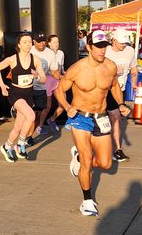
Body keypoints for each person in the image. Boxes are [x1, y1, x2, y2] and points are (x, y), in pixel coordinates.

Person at [53, 29, 129, 215]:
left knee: (105, 164)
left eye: (104, 46)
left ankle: (78, 159)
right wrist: (67, 106)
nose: (102, 51)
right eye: (98, 47)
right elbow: (59, 90)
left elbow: (114, 87)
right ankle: (87, 200)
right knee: (87, 160)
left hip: (101, 117)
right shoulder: (77, 69)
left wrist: (120, 104)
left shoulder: (110, 67)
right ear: (88, 47)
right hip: (80, 118)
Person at [0, 31, 44, 161]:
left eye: (30, 42)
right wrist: (1, 85)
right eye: (25, 42)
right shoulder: (12, 59)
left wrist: (37, 76)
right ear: (19, 44)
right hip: (16, 93)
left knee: (18, 127)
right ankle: (21, 143)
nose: (28, 44)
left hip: (29, 94)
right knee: (31, 116)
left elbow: (44, 79)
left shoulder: (36, 59)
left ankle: (7, 146)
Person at [105, 29, 139, 161]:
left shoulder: (130, 51)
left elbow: (134, 69)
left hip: (121, 89)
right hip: (104, 90)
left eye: (125, 42)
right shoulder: (106, 50)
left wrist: (134, 83)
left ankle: (117, 149)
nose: (124, 45)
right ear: (113, 40)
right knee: (102, 120)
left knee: (116, 118)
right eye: (121, 43)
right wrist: (111, 71)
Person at [29, 32, 58, 137]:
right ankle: (26, 135)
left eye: (43, 41)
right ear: (34, 42)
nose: (42, 44)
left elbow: (54, 71)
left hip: (42, 86)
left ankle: (38, 127)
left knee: (42, 109)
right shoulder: (29, 50)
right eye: (39, 42)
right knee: (30, 113)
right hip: (28, 86)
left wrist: (64, 78)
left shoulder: (50, 53)